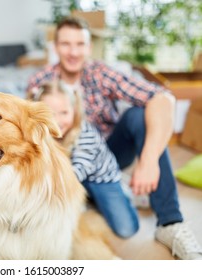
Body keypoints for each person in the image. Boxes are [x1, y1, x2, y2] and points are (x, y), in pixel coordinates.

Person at [26, 16, 202, 260]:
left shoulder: (101, 73)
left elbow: (163, 98)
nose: (73, 51)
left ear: (89, 47)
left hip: (106, 156)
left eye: (80, 44)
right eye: (66, 44)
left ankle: (170, 221)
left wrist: (149, 162)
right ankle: (107, 193)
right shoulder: (39, 83)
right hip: (60, 162)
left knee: (139, 115)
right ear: (56, 47)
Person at [29, 80, 139, 238]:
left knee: (126, 229)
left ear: (74, 111)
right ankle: (89, 199)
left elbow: (75, 175)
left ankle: (123, 192)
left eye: (64, 113)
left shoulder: (85, 135)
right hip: (69, 175)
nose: (57, 121)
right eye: (50, 114)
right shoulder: (39, 132)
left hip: (99, 178)